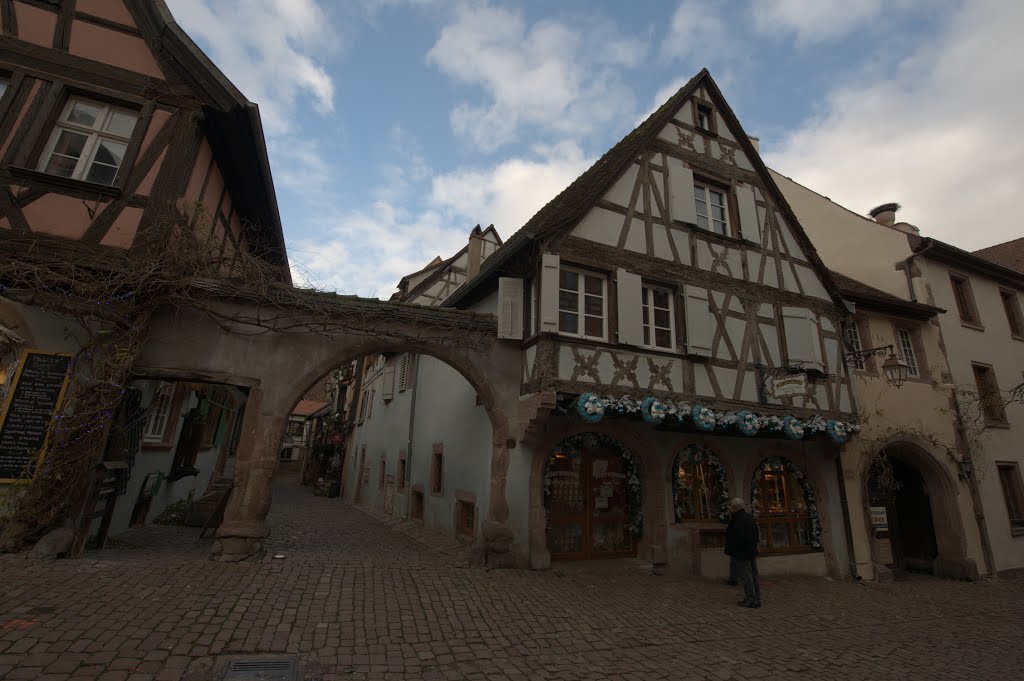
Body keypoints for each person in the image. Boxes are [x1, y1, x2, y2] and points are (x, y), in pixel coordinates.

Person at [724, 497, 761, 608]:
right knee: (753, 575)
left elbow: (738, 537)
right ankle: (756, 598)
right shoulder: (749, 517)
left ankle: (751, 599)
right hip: (751, 550)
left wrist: (733, 549)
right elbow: (756, 533)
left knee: (746, 576)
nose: (729, 508)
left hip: (742, 552)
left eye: (730, 506)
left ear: (734, 508)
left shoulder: (738, 520)